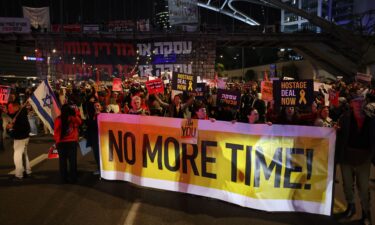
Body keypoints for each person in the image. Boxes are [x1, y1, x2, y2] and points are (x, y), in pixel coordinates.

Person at [336, 97, 375, 225]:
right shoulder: (345, 118)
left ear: (364, 104)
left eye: (361, 102)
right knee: (347, 185)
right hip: (347, 157)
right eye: (355, 102)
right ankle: (350, 206)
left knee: (363, 187)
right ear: (351, 104)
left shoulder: (371, 119)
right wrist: (336, 130)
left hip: (364, 158)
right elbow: (338, 132)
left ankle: (366, 213)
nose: (358, 105)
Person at [54, 103, 82, 183]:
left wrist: (57, 140)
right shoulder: (73, 118)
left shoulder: (58, 119)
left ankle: (63, 178)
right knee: (72, 161)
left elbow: (56, 131)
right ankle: (73, 178)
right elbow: (80, 122)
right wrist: (75, 113)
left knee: (62, 161)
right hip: (71, 142)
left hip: (61, 143)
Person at [6, 102, 31, 181]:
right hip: (24, 136)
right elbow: (14, 117)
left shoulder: (21, 114)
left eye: (10, 108)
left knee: (17, 156)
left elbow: (23, 126)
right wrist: (7, 112)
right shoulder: (20, 112)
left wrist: (12, 126)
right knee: (24, 155)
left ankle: (19, 175)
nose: (9, 109)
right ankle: (27, 171)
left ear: (15, 107)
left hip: (20, 137)